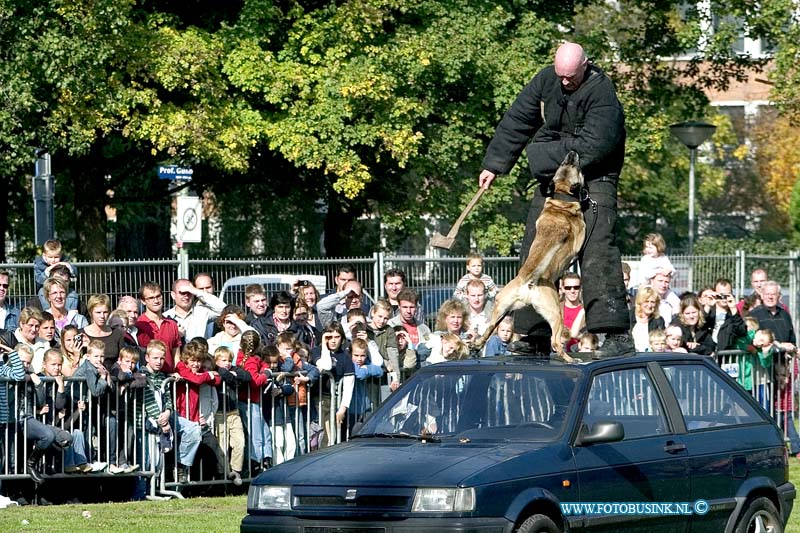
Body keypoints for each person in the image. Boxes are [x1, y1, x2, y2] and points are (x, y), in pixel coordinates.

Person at [477, 41, 630, 357]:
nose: (564, 82)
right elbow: (518, 119)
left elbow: (594, 146)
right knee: (535, 246)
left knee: (598, 250)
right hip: (555, 182)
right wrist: (494, 164)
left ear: (585, 65)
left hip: (594, 179)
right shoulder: (546, 79)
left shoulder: (602, 93)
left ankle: (616, 335)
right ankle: (534, 335)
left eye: (570, 77)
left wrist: (538, 153)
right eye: (560, 76)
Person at [17, 346, 75, 482]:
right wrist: (36, 381)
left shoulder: (49, 378)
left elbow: (55, 404)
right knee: (47, 437)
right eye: (53, 364)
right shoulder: (35, 376)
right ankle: (31, 464)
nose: (57, 368)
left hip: (41, 422)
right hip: (24, 420)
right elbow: (39, 402)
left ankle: (38, 462)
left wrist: (59, 387)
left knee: (66, 438)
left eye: (59, 365)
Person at [174, 340, 225, 482]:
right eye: (192, 361)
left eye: (198, 361)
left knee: (210, 446)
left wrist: (207, 375)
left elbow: (218, 380)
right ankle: (180, 469)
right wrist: (209, 375)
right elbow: (194, 379)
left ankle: (216, 483)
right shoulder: (180, 367)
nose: (196, 364)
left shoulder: (200, 372)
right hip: (180, 416)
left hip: (196, 418)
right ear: (186, 359)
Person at [310, 322, 355, 447]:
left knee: (329, 438)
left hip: (334, 401)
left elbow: (349, 385)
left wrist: (343, 408)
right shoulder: (316, 351)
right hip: (317, 400)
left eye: (337, 337)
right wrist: (324, 346)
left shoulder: (346, 358)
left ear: (342, 338)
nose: (333, 341)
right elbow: (326, 365)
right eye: (330, 337)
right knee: (314, 438)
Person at [237, 330, 273, 473]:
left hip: (253, 402)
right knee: (257, 435)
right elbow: (255, 381)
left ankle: (266, 459)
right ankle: (257, 464)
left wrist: (264, 368)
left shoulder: (246, 358)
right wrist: (266, 374)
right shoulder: (250, 361)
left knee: (264, 433)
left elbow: (263, 364)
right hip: (249, 402)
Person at [212, 346, 248, 486]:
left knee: (239, 442)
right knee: (222, 446)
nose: (227, 363)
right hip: (219, 414)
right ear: (216, 360)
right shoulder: (216, 371)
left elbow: (246, 376)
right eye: (224, 360)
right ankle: (225, 474)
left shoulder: (234, 369)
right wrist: (226, 374)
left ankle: (236, 470)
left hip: (234, 412)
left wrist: (231, 375)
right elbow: (222, 374)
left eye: (229, 360)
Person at [136, 282, 181, 373]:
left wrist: (177, 373)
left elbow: (176, 355)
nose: (156, 301)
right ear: (143, 301)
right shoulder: (138, 325)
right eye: (151, 298)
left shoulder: (172, 324)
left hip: (169, 378)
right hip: (147, 378)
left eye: (158, 296)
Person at [164, 278, 228, 343]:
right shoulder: (165, 316)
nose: (186, 296)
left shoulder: (202, 312)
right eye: (182, 293)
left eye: (189, 293)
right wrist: (175, 335)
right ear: (173, 295)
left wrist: (196, 291)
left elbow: (225, 310)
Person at [80, 294, 126, 373]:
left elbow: (122, 359)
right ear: (91, 312)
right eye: (98, 312)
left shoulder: (117, 334)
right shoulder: (81, 334)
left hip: (113, 379)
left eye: (105, 312)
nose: (102, 316)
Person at [749, 281, 796, 353]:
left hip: (782, 362)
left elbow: (792, 340)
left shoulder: (785, 315)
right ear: (762, 295)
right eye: (767, 294)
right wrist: (779, 346)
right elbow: (751, 341)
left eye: (773, 294)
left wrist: (792, 348)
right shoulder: (753, 315)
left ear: (779, 296)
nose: (770, 297)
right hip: (762, 362)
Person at [705, 278, 747, 353]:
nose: (724, 298)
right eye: (721, 295)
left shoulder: (734, 313)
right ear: (715, 293)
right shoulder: (709, 310)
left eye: (727, 295)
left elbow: (742, 331)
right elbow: (699, 327)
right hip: (708, 355)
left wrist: (733, 309)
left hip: (726, 357)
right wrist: (708, 306)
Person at [368, 299, 400, 390]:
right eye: (380, 316)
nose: (382, 321)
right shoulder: (365, 329)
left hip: (384, 373)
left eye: (386, 318)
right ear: (373, 313)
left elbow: (393, 353)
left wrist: (396, 378)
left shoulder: (389, 330)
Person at [387, 288, 432, 354]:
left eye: (412, 307)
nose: (408, 311)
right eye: (405, 307)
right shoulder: (390, 325)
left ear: (416, 307)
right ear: (399, 306)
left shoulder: (424, 329)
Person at [13, 307, 49, 373]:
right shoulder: (12, 341)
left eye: (37, 326)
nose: (34, 329)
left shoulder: (45, 344)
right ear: (21, 324)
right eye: (30, 325)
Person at [629, 287, 665, 352]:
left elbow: (661, 342)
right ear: (640, 302)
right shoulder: (629, 316)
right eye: (646, 301)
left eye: (652, 302)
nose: (650, 305)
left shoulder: (658, 320)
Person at [560, 272, 585, 352]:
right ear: (563, 289)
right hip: (558, 355)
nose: (572, 290)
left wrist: (580, 336)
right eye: (568, 288)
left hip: (582, 356)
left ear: (580, 288)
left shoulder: (586, 311)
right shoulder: (556, 309)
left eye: (576, 287)